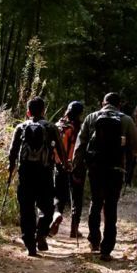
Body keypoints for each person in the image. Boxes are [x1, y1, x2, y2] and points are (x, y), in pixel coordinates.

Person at [73, 92, 137, 261]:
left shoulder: (91, 118)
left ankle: (94, 240)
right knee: (111, 206)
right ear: (119, 105)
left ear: (102, 103)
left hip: (95, 168)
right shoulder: (125, 120)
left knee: (96, 202)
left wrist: (77, 166)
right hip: (116, 168)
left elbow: (80, 144)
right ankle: (107, 248)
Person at [7, 96, 68, 257]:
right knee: (47, 207)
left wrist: (11, 169)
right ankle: (41, 234)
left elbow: (12, 152)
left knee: (26, 209)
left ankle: (30, 245)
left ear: (28, 112)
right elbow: (61, 150)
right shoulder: (50, 127)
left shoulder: (21, 127)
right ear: (43, 111)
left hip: (25, 173)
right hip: (44, 173)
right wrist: (65, 166)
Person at [51, 100, 86, 238]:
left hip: (59, 166)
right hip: (76, 167)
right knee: (76, 198)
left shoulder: (58, 125)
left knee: (59, 195)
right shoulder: (78, 128)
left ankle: (56, 214)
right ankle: (74, 228)